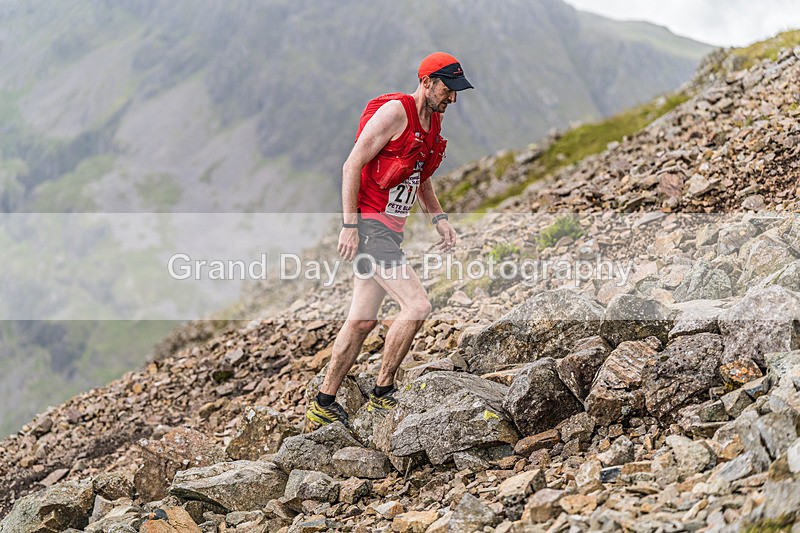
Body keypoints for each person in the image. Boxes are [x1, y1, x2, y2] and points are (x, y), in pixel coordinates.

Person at [305, 52, 474, 430]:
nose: (453, 99)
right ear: (427, 82)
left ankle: (323, 401)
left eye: (457, 92)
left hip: (389, 231)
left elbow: (420, 174)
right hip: (370, 229)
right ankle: (383, 394)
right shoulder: (397, 113)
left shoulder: (432, 123)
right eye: (448, 90)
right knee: (417, 306)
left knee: (362, 322)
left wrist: (439, 218)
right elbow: (352, 165)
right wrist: (350, 225)